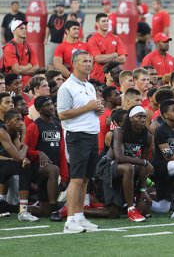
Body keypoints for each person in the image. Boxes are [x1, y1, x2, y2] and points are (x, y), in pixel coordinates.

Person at [57, 50, 104, 233]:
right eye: (84, 61)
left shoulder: (89, 86)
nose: (89, 64)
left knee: (85, 179)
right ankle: (69, 220)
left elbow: (88, 109)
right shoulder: (66, 87)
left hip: (92, 135)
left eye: (90, 61)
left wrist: (96, 110)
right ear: (74, 64)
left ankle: (79, 216)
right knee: (76, 179)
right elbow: (62, 114)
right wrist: (88, 107)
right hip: (77, 136)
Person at [94, 106, 153, 221]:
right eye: (138, 116)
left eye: (144, 117)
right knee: (128, 168)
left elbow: (142, 167)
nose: (142, 119)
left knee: (114, 213)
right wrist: (145, 162)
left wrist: (142, 192)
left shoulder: (147, 136)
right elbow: (120, 158)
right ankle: (131, 209)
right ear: (131, 119)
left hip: (127, 168)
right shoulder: (119, 131)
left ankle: (79, 210)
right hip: (107, 165)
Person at [24, 96, 67, 221]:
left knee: (43, 211)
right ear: (39, 109)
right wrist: (39, 153)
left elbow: (62, 152)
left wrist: (65, 177)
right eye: (47, 105)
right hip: (37, 169)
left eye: (51, 104)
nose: (51, 107)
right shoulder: (34, 126)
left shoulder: (57, 125)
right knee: (53, 169)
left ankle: (16, 208)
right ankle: (54, 209)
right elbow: (27, 150)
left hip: (53, 171)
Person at [0, 108, 34, 220]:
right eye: (17, 120)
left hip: (3, 160)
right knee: (16, 164)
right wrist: (25, 147)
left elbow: (19, 154)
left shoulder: (13, 132)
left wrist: (24, 159)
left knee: (23, 166)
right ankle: (6, 205)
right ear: (7, 122)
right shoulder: (2, 131)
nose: (21, 123)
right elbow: (19, 155)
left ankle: (21, 210)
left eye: (21, 120)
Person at [87, 13, 127, 83]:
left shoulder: (116, 38)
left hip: (114, 79)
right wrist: (115, 54)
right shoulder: (92, 40)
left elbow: (123, 59)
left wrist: (105, 58)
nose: (106, 23)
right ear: (97, 23)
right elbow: (98, 59)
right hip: (98, 79)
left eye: (107, 21)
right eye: (103, 21)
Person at [2, 20, 39, 87]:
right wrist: (29, 66)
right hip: (14, 86)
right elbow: (16, 70)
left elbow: (36, 68)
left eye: (25, 28)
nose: (24, 30)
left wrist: (22, 69)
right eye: (21, 28)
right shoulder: (9, 47)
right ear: (13, 31)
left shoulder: (29, 46)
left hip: (28, 85)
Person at [44, 2, 67, 69]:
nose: (59, 8)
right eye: (58, 6)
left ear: (64, 8)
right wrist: (46, 38)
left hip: (62, 43)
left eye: (61, 6)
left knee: (61, 62)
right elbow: (48, 27)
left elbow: (67, 29)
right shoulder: (52, 16)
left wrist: (64, 40)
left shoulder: (66, 17)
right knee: (49, 62)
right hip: (52, 42)